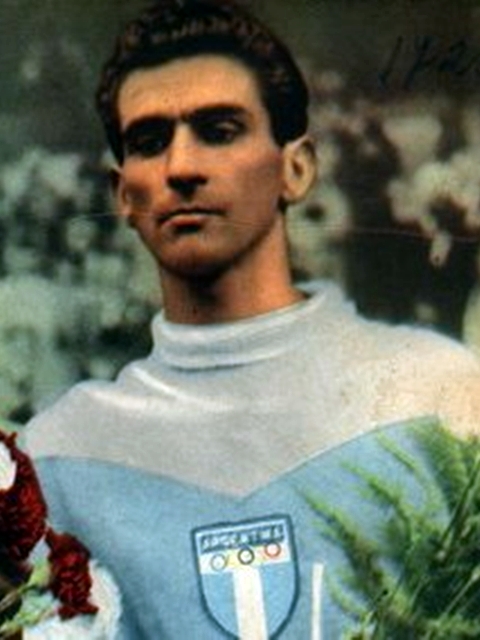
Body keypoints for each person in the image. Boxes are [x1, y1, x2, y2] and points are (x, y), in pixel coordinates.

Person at [24, 0, 480, 637]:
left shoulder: (438, 392)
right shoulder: (59, 455)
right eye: (150, 142)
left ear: (296, 168)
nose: (182, 167)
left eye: (219, 130)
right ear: (123, 193)